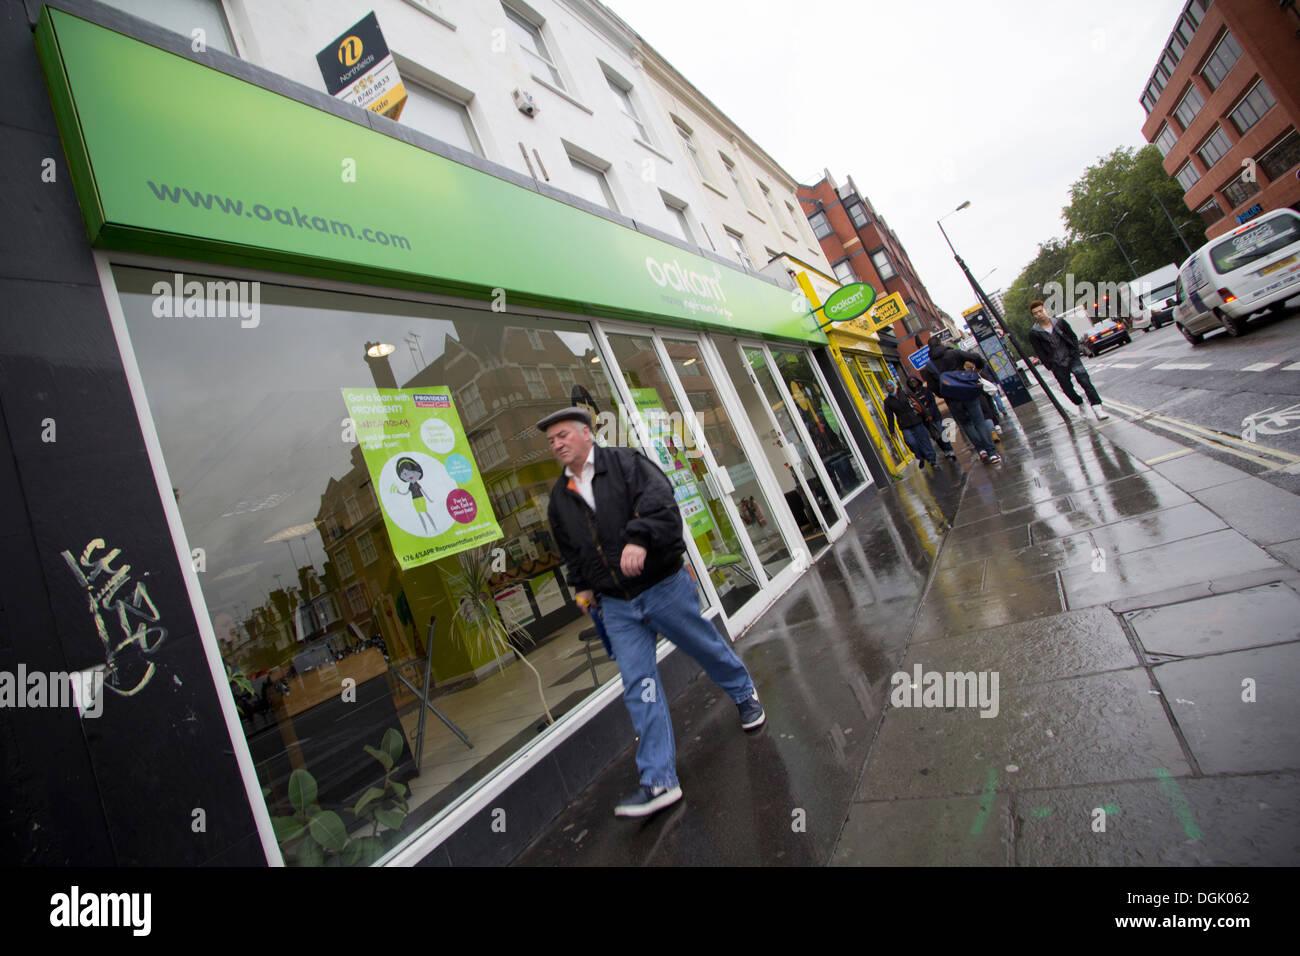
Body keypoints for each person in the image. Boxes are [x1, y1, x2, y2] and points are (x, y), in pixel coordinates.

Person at [539, 406, 765, 819]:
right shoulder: (560, 498)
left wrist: (639, 539)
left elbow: (662, 505)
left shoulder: (626, 464)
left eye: (562, 435)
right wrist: (584, 587)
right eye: (551, 440)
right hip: (616, 606)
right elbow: (570, 550)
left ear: (587, 434)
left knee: (705, 647)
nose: (556, 444)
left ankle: (743, 692)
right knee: (638, 683)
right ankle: (659, 779)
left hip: (661, 586)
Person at [922, 339, 1002, 464]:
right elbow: (976, 357)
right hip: (968, 392)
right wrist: (978, 369)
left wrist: (944, 393)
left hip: (952, 399)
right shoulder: (954, 353)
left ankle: (981, 450)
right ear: (940, 343)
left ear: (929, 349)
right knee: (979, 421)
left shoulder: (929, 366)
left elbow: (932, 387)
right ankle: (992, 453)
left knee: (967, 424)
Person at [1028, 300, 1110, 421]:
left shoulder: (1060, 322)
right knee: (1067, 389)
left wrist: (1075, 353)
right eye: (1035, 313)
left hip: (1072, 358)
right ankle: (1080, 404)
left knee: (1085, 382)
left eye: (1040, 311)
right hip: (1057, 364)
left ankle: (1097, 408)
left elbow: (1072, 336)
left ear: (1046, 310)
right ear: (1033, 316)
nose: (1039, 314)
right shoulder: (1034, 333)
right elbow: (1039, 351)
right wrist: (1049, 365)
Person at [882, 379, 937, 469]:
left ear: (894, 385)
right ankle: (921, 457)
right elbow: (889, 417)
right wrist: (891, 431)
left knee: (924, 441)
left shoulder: (905, 392)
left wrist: (926, 414)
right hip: (904, 425)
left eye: (890, 385)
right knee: (911, 442)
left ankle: (932, 460)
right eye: (887, 386)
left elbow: (917, 402)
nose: (889, 387)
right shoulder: (887, 401)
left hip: (916, 420)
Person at [905, 375, 957, 460]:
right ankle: (945, 451)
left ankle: (949, 449)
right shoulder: (911, 395)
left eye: (914, 381)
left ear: (917, 381)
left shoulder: (925, 390)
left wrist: (930, 414)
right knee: (936, 435)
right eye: (910, 382)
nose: (912, 383)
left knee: (941, 431)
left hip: (935, 415)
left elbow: (932, 402)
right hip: (925, 419)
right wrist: (925, 416)